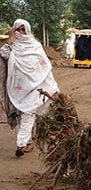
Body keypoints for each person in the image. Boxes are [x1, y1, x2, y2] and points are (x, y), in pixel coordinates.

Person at [0, 19, 60, 157]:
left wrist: (52, 86)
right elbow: (3, 53)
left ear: (28, 30)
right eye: (18, 30)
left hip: (35, 88)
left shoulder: (36, 47)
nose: (21, 33)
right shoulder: (11, 47)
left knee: (29, 113)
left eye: (23, 29)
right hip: (16, 89)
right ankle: (27, 142)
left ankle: (21, 143)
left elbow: (44, 68)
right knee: (18, 115)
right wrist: (10, 39)